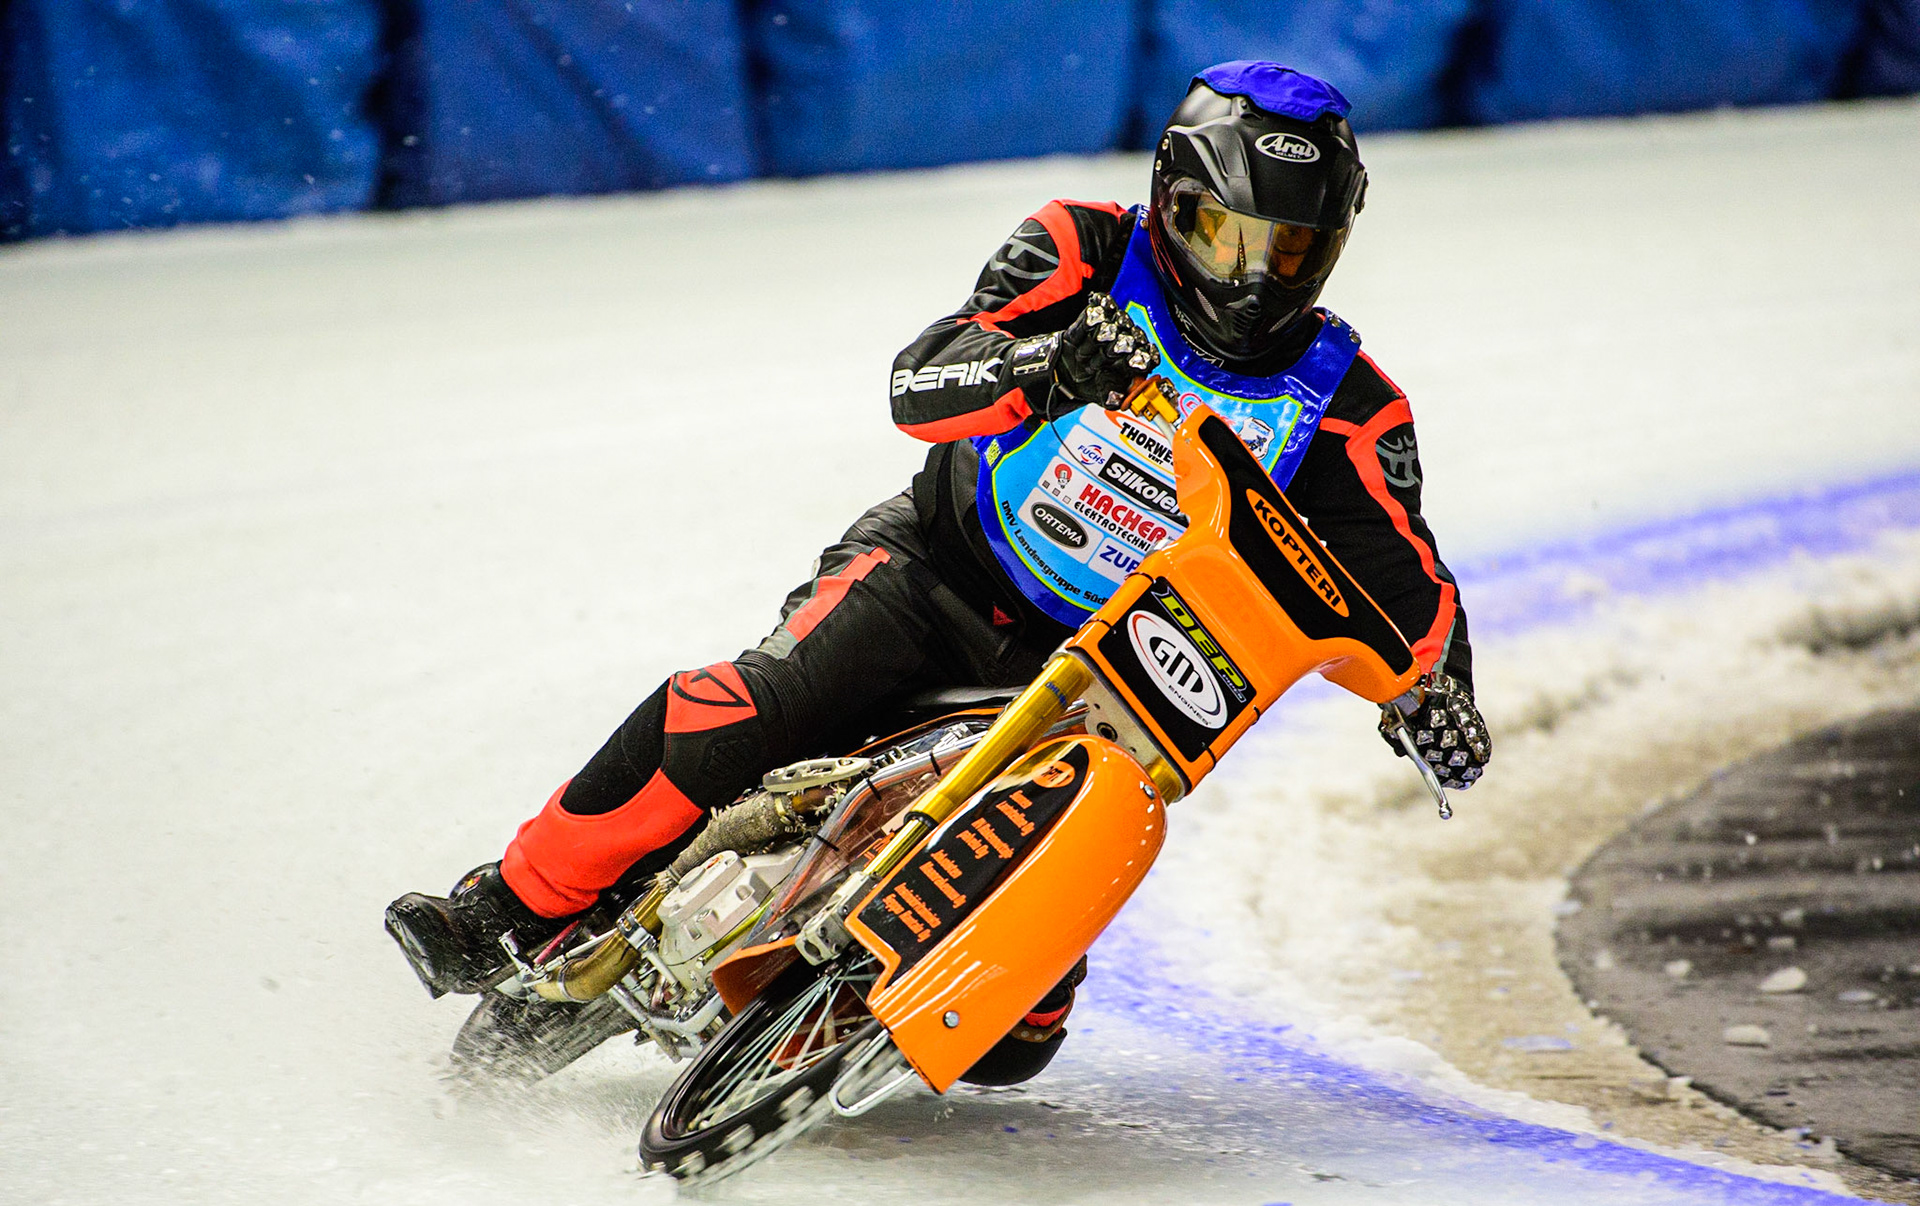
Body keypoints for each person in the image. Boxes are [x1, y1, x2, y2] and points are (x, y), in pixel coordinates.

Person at [387, 60, 1492, 1086]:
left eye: (1289, 250)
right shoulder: (1082, 249)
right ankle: (506, 908)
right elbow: (919, 382)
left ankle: (852, 984)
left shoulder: (1349, 405)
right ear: (1169, 198)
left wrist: (1439, 702)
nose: (1253, 275)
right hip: (933, 572)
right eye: (1224, 233)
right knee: (738, 715)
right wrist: (1038, 370)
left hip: (1104, 681)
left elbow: (1410, 595)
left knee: (1017, 1043)